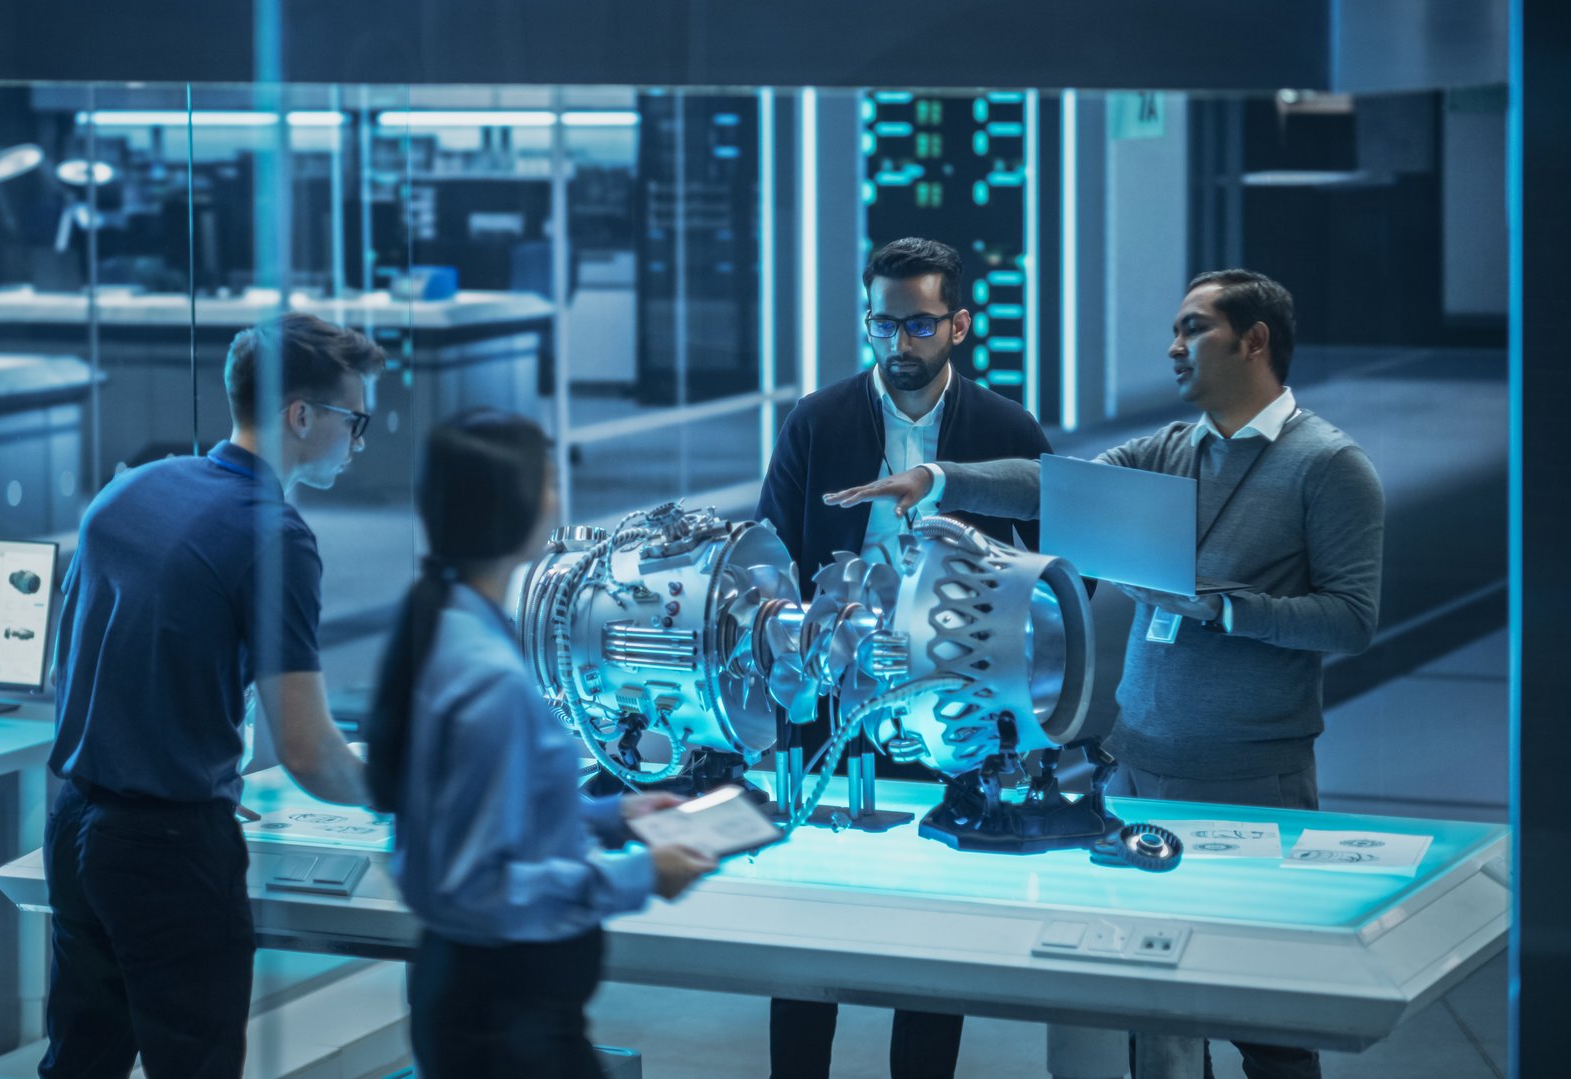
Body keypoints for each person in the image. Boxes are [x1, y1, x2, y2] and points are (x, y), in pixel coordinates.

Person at [828, 269, 1384, 1079]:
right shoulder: (1171, 450)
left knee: (1264, 1017)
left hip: (1250, 781)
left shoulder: (1330, 467)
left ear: (1255, 340)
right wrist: (941, 479)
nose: (1173, 347)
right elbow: (1051, 482)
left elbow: (1351, 619)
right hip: (1138, 768)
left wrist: (1217, 607)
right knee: (1148, 1007)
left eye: (1193, 329)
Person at [38, 313, 384, 1079]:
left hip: (74, 826)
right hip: (167, 853)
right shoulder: (273, 534)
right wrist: (395, 790)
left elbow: (82, 672)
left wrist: (189, 765)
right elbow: (309, 750)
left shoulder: (129, 490)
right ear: (301, 416)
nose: (359, 441)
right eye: (353, 420)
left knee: (76, 1067)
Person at [756, 237, 1052, 1079]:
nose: (898, 344)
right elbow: (773, 558)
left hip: (955, 712)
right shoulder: (819, 420)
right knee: (808, 936)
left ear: (958, 324)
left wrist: (1007, 648)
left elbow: (1069, 567)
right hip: (831, 712)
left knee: (931, 937)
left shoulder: (1005, 428)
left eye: (918, 324)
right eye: (882, 325)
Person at [366, 409, 717, 1079]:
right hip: (509, 1021)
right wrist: (643, 875)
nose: (559, 495)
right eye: (549, 478)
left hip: (484, 1001)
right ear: (513, 505)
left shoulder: (449, 625)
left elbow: (474, 809)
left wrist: (608, 817)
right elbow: (480, 887)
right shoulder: (486, 674)